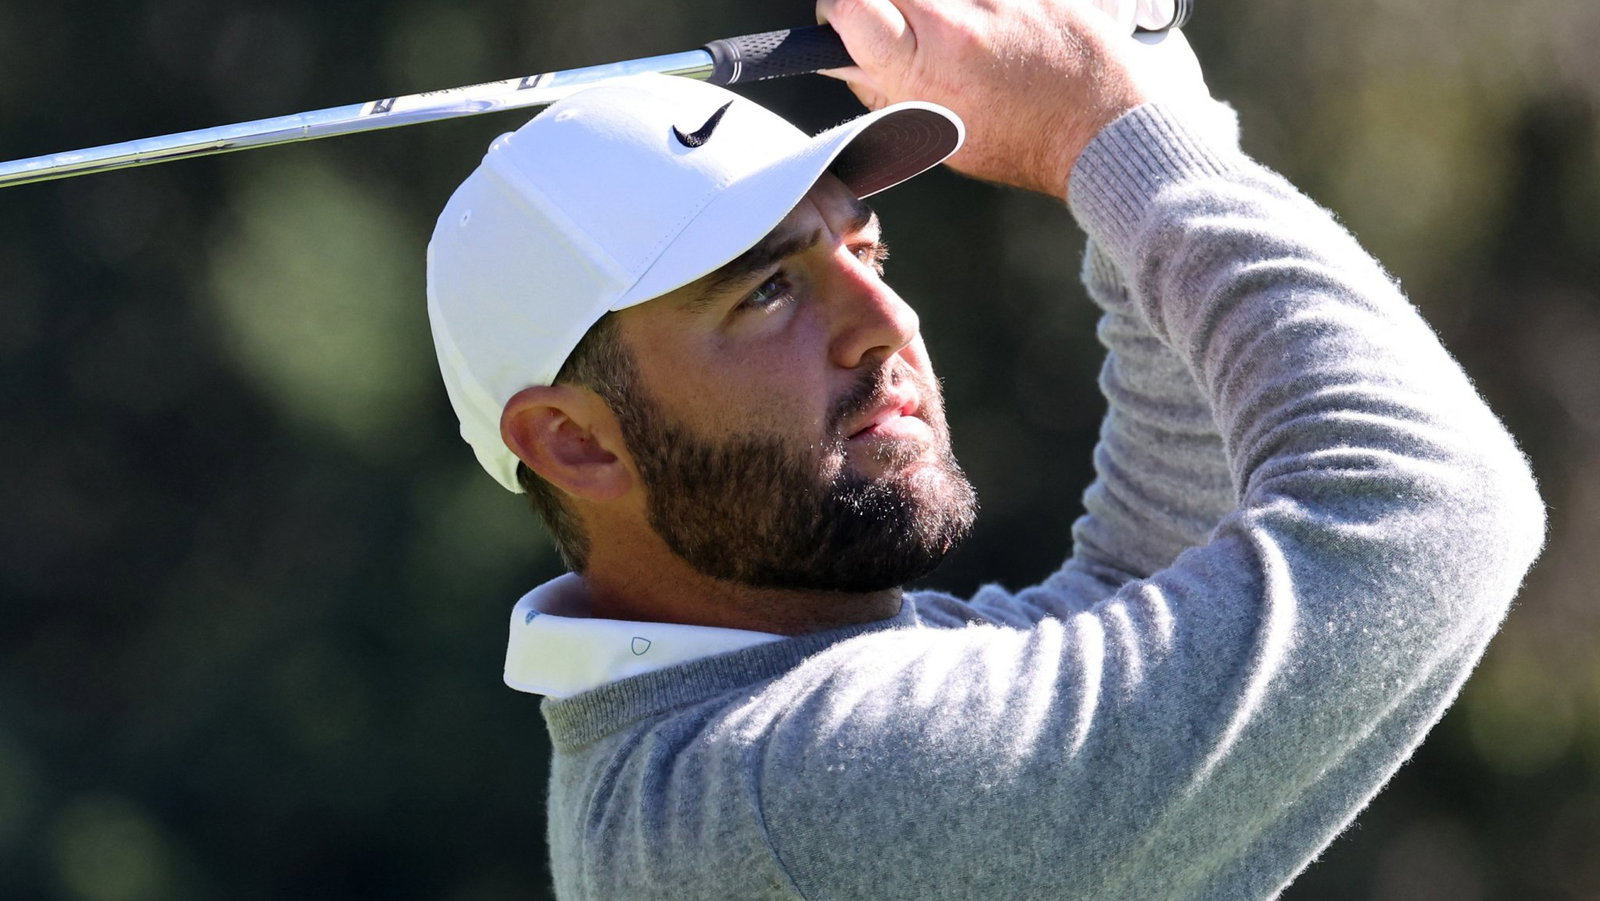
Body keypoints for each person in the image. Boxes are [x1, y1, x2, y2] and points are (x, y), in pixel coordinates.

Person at [424, 0, 1546, 896]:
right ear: (572, 441)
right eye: (767, 291)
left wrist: (1140, 73)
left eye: (867, 254)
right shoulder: (799, 797)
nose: (887, 323)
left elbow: (1155, 565)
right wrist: (1098, 129)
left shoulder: (734, 727)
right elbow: (1431, 510)